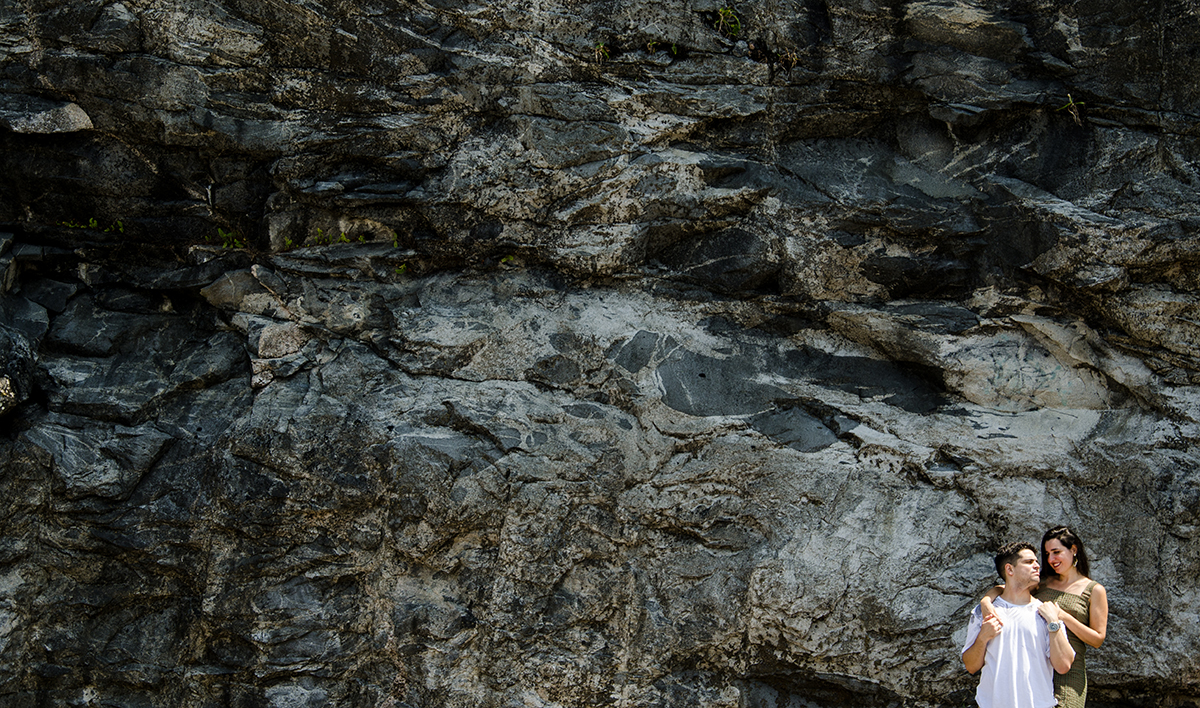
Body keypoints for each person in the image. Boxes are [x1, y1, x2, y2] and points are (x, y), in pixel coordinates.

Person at [978, 527, 1108, 708]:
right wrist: (985, 601)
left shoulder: (1093, 590)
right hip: (1036, 667)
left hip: (1069, 672)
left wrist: (1062, 616)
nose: (1051, 559)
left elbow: (1098, 639)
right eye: (1047, 554)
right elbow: (1007, 586)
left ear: (1073, 550)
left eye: (1056, 552)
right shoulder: (1043, 582)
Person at [962, 541, 1075, 708]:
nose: (1037, 566)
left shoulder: (1047, 613)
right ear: (1010, 569)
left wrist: (1053, 624)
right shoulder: (985, 611)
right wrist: (982, 638)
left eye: (1037, 562)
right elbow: (971, 666)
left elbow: (1064, 666)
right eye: (1029, 562)